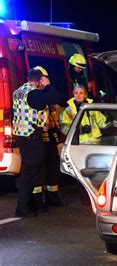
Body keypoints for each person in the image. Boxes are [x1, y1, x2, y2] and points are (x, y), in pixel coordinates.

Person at [12, 66, 60, 217]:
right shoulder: (34, 94)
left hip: (21, 136)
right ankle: (23, 207)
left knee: (30, 169)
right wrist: (48, 85)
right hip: (31, 136)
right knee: (30, 171)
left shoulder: (18, 91)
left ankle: (31, 205)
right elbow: (54, 98)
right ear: (39, 80)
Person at [42, 104, 67, 207]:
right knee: (45, 171)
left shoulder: (51, 111)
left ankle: (52, 198)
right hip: (43, 143)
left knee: (53, 171)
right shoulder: (40, 109)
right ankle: (45, 199)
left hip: (51, 142)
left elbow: (57, 127)